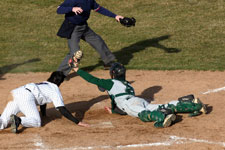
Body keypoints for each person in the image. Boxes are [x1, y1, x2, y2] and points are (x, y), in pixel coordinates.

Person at [70, 59, 207, 128]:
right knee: (160, 105)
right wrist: (114, 110)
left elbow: (92, 79)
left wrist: (76, 69)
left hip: (130, 104)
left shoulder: (111, 83)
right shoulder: (128, 85)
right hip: (138, 100)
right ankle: (193, 105)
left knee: (143, 114)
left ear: (112, 74)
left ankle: (161, 118)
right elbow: (117, 101)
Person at [0, 71, 89, 134]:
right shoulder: (54, 90)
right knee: (36, 122)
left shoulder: (44, 84)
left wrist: (44, 114)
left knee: (3, 121)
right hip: (25, 97)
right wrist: (77, 122)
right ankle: (18, 120)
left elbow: (43, 100)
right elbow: (62, 109)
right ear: (59, 82)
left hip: (15, 92)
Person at [56, 0, 124, 76]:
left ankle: (108, 63)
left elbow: (99, 9)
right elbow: (59, 9)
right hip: (72, 28)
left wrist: (115, 16)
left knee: (98, 41)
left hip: (84, 27)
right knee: (75, 53)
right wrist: (72, 9)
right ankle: (59, 74)